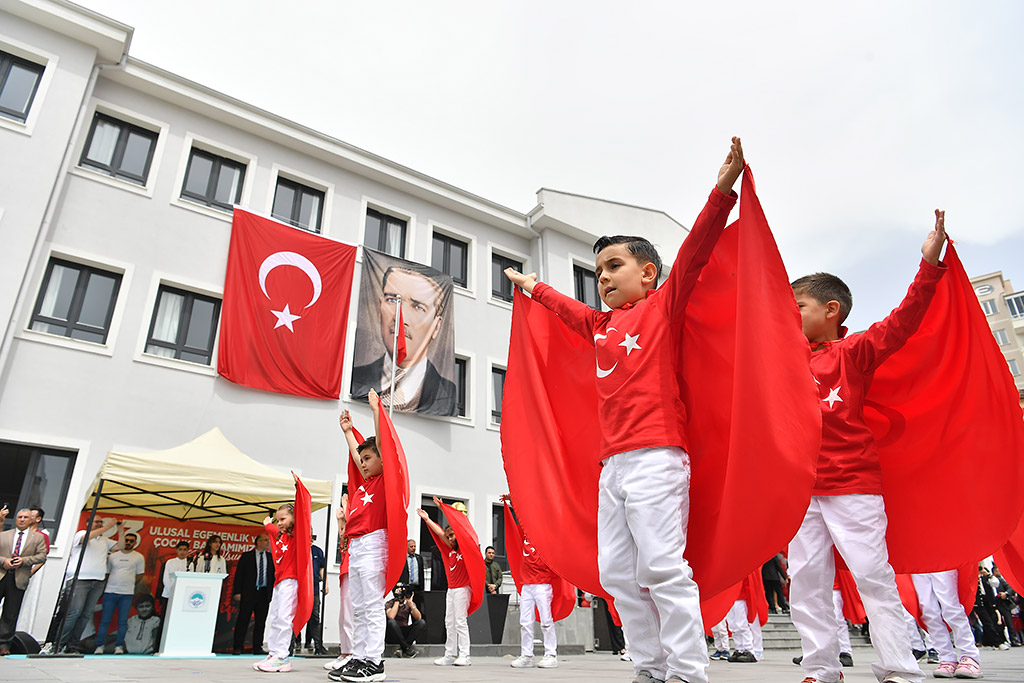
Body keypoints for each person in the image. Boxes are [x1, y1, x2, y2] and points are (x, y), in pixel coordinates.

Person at [503, 136, 745, 683]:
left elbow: (697, 250)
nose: (604, 277)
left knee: (662, 566)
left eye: (614, 265)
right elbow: (568, 309)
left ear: (649, 274)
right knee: (615, 572)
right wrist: (534, 286)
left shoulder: (662, 308)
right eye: (598, 271)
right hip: (612, 466)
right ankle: (651, 667)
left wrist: (722, 189)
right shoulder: (600, 326)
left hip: (658, 456)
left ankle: (688, 671)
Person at [787, 209, 949, 683]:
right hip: (801, 492)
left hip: (854, 484)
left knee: (873, 578)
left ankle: (899, 667)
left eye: (798, 306)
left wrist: (929, 266)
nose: (789, 316)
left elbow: (903, 322)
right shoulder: (783, 359)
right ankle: (821, 666)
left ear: (831, 311)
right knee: (808, 585)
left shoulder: (852, 351)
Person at [331, 391, 389, 683]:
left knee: (371, 605)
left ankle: (374, 661)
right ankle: (359, 656)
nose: (363, 463)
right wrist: (347, 433)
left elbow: (383, 444)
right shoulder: (364, 485)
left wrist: (376, 410)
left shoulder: (387, 480)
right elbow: (357, 454)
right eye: (361, 459)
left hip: (375, 543)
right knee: (359, 606)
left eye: (369, 458)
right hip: (356, 546)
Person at [350, 262, 457, 415]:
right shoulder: (356, 377)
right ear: (380, 310)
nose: (400, 317)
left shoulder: (446, 392)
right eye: (392, 300)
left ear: (436, 326)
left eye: (418, 307)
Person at [254, 471, 309, 673]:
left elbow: (303, 514)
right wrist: (268, 523)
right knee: (275, 617)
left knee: (285, 618)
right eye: (278, 520)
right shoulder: (281, 535)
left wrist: (299, 488)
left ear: (294, 518)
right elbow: (271, 529)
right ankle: (274, 653)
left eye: (283, 519)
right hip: (279, 582)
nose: (280, 523)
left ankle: (282, 657)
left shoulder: (297, 535)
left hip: (291, 581)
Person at [418, 498, 472, 667]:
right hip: (452, 589)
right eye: (449, 536)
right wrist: (427, 519)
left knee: (460, 621)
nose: (450, 538)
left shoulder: (465, 545)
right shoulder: (449, 549)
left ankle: (465, 655)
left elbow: (462, 530)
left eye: (452, 535)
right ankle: (450, 653)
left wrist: (443, 509)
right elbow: (440, 533)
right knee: (449, 622)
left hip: (463, 589)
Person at [55, 517, 118, 652]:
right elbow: (85, 539)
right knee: (74, 612)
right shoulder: (80, 533)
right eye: (97, 522)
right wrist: (107, 527)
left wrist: (122, 529)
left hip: (98, 581)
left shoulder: (104, 540)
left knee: (85, 615)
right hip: (80, 579)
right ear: (88, 523)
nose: (100, 524)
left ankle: (72, 646)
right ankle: (58, 644)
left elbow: (121, 546)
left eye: (101, 522)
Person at [912, 570, 981, 678]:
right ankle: (946, 657)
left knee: (951, 607)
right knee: (928, 611)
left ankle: (970, 655)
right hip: (917, 561)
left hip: (942, 559)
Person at [0, 507, 48, 655]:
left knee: (10, 613)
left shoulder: (38, 537)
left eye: (25, 517)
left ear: (31, 520)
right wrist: (4, 561)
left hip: (19, 578)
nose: (22, 519)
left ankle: (3, 646)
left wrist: (24, 561)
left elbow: (42, 556)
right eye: (19, 517)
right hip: (2, 574)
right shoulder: (4, 535)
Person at [94, 531, 146, 654]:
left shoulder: (139, 557)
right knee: (105, 620)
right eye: (126, 540)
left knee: (122, 622)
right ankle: (99, 646)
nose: (128, 543)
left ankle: (119, 647)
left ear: (135, 543)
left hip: (127, 594)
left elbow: (139, 575)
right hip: (110, 592)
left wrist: (129, 585)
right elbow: (107, 573)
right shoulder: (113, 556)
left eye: (131, 541)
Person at [324, 499, 355, 673]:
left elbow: (351, 527)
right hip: (345, 572)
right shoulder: (347, 538)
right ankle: (345, 653)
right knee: (344, 616)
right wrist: (339, 520)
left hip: (354, 571)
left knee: (350, 616)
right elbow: (344, 537)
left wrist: (347, 510)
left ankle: (350, 653)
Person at [233, 534, 274, 655]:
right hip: (248, 592)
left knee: (261, 621)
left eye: (268, 540)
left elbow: (273, 576)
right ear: (258, 542)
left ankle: (257, 646)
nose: (267, 543)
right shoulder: (247, 556)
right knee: (243, 620)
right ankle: (237, 646)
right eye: (265, 540)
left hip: (264, 593)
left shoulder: (270, 558)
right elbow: (239, 575)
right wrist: (237, 592)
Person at [297, 535, 327, 654]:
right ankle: (295, 642)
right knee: (297, 615)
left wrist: (325, 584)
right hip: (299, 589)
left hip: (313, 589)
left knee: (314, 617)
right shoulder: (298, 549)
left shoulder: (317, 551)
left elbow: (321, 569)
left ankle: (318, 645)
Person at [384, 583, 425, 658]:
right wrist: (397, 600)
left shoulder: (408, 603)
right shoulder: (390, 603)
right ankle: (407, 649)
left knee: (421, 622)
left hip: (404, 631)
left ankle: (404, 648)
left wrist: (410, 603)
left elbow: (418, 617)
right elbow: (391, 616)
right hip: (393, 633)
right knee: (392, 622)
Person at [398, 538, 425, 611]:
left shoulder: (419, 558)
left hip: (417, 588)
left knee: (416, 608)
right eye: (411, 546)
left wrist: (422, 588)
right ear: (406, 547)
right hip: (406, 587)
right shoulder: (402, 558)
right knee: (403, 609)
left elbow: (421, 573)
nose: (413, 548)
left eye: (414, 546)